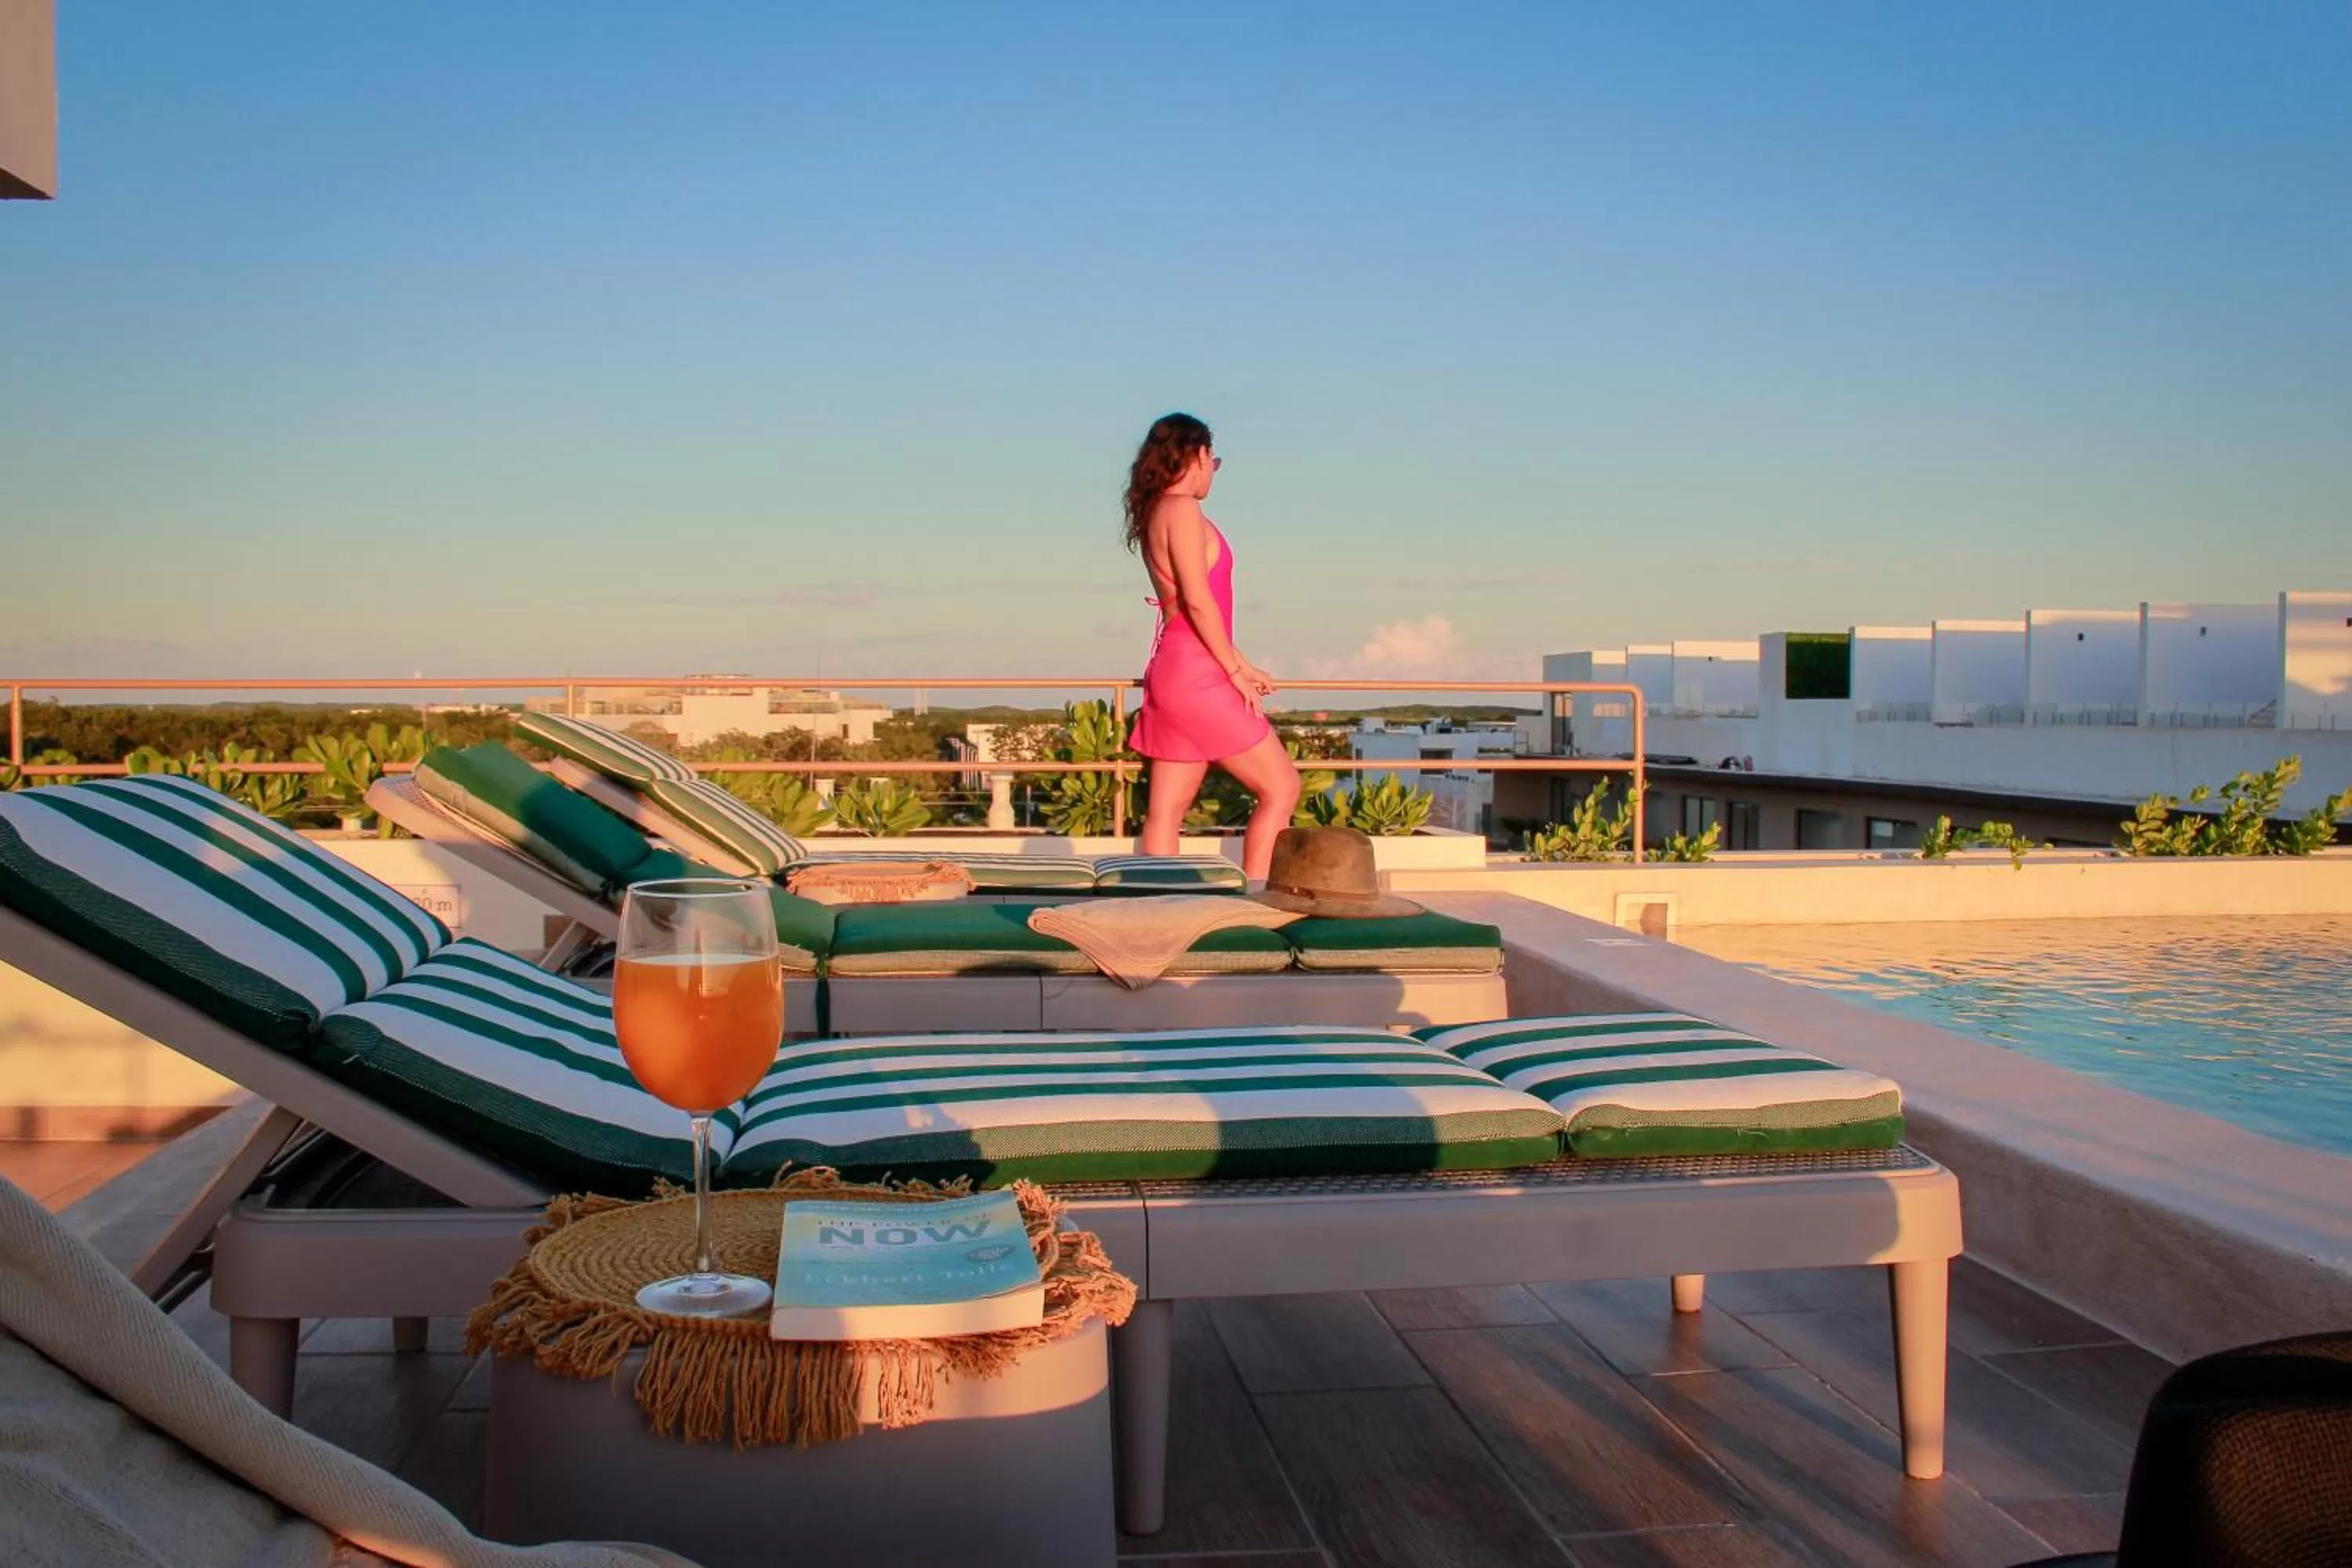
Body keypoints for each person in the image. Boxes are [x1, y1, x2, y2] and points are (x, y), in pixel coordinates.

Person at [1121, 412, 1301, 880]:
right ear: (1197, 455)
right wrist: (1234, 672)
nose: (1213, 472)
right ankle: (1259, 896)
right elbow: (1199, 601)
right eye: (1213, 461)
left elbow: (1188, 611)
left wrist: (1243, 663)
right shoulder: (1182, 509)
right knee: (1281, 788)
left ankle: (1156, 904)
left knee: (1167, 809)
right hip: (1200, 674)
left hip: (1176, 666)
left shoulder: (1156, 510)